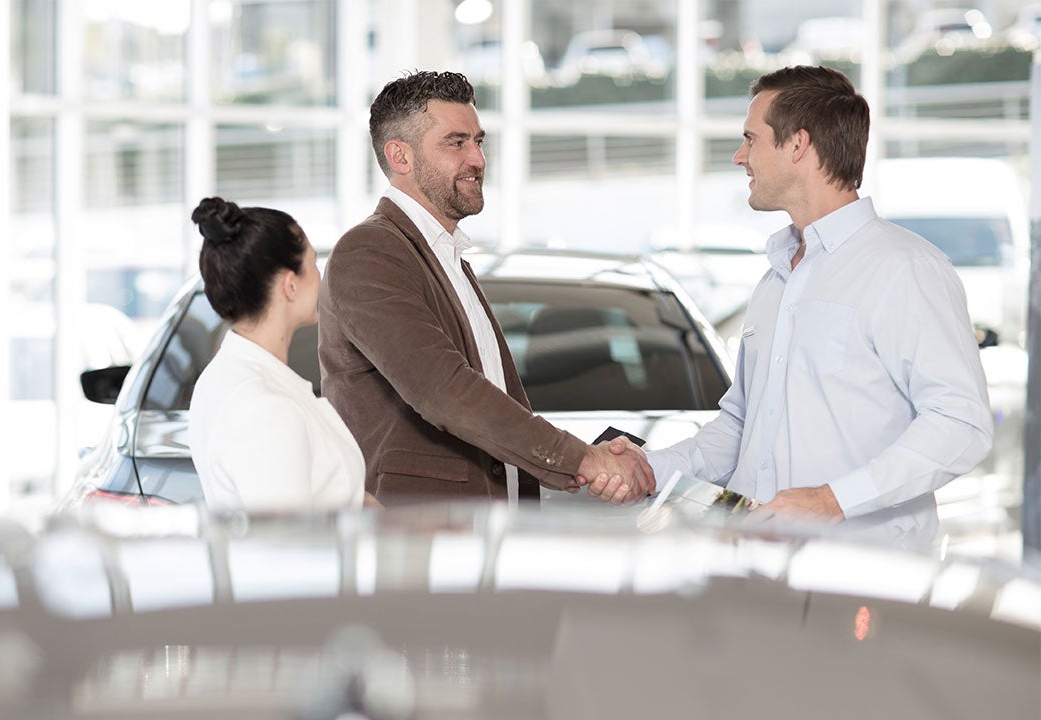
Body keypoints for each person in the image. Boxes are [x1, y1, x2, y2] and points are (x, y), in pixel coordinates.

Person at [598, 66, 993, 550]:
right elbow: (740, 425)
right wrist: (647, 469)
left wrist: (831, 501)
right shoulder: (776, 278)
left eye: (750, 139)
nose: (739, 156)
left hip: (861, 574)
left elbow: (960, 425)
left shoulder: (905, 268)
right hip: (754, 568)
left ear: (798, 144)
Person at [317, 70, 650, 505]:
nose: (477, 159)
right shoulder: (370, 252)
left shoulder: (444, 255)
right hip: (422, 538)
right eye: (456, 143)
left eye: (479, 141)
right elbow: (444, 390)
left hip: (487, 532)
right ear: (400, 157)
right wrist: (584, 460)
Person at [187, 197, 376, 513]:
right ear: (290, 285)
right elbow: (287, 550)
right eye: (314, 264)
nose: (320, 277)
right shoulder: (262, 404)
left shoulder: (230, 375)